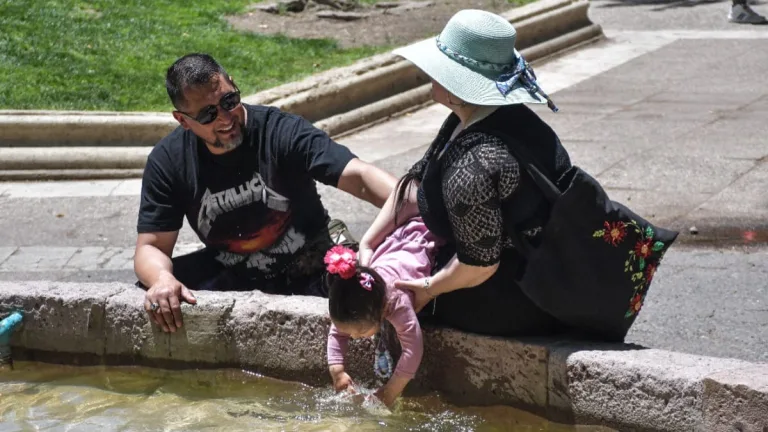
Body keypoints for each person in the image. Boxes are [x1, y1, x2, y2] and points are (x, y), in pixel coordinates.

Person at [135, 53, 397, 333]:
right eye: (207, 114)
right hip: (232, 270)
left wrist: (414, 201)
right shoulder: (168, 161)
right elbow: (151, 247)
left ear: (233, 85)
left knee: (365, 292)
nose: (225, 119)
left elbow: (358, 175)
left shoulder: (281, 131)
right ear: (183, 120)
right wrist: (162, 279)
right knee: (156, 294)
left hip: (310, 261)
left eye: (228, 101)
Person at [358, 9, 576, 337]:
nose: (428, 75)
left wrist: (427, 289)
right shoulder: (482, 116)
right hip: (525, 265)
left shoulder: (473, 165)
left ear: (456, 82)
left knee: (386, 303)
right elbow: (416, 184)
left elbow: (479, 265)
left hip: (516, 293)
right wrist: (368, 243)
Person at [325, 217, 439, 407]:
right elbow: (337, 332)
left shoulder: (398, 302)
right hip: (398, 243)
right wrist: (337, 372)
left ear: (382, 311)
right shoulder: (358, 289)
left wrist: (390, 392)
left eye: (359, 332)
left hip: (428, 241)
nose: (352, 336)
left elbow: (413, 349)